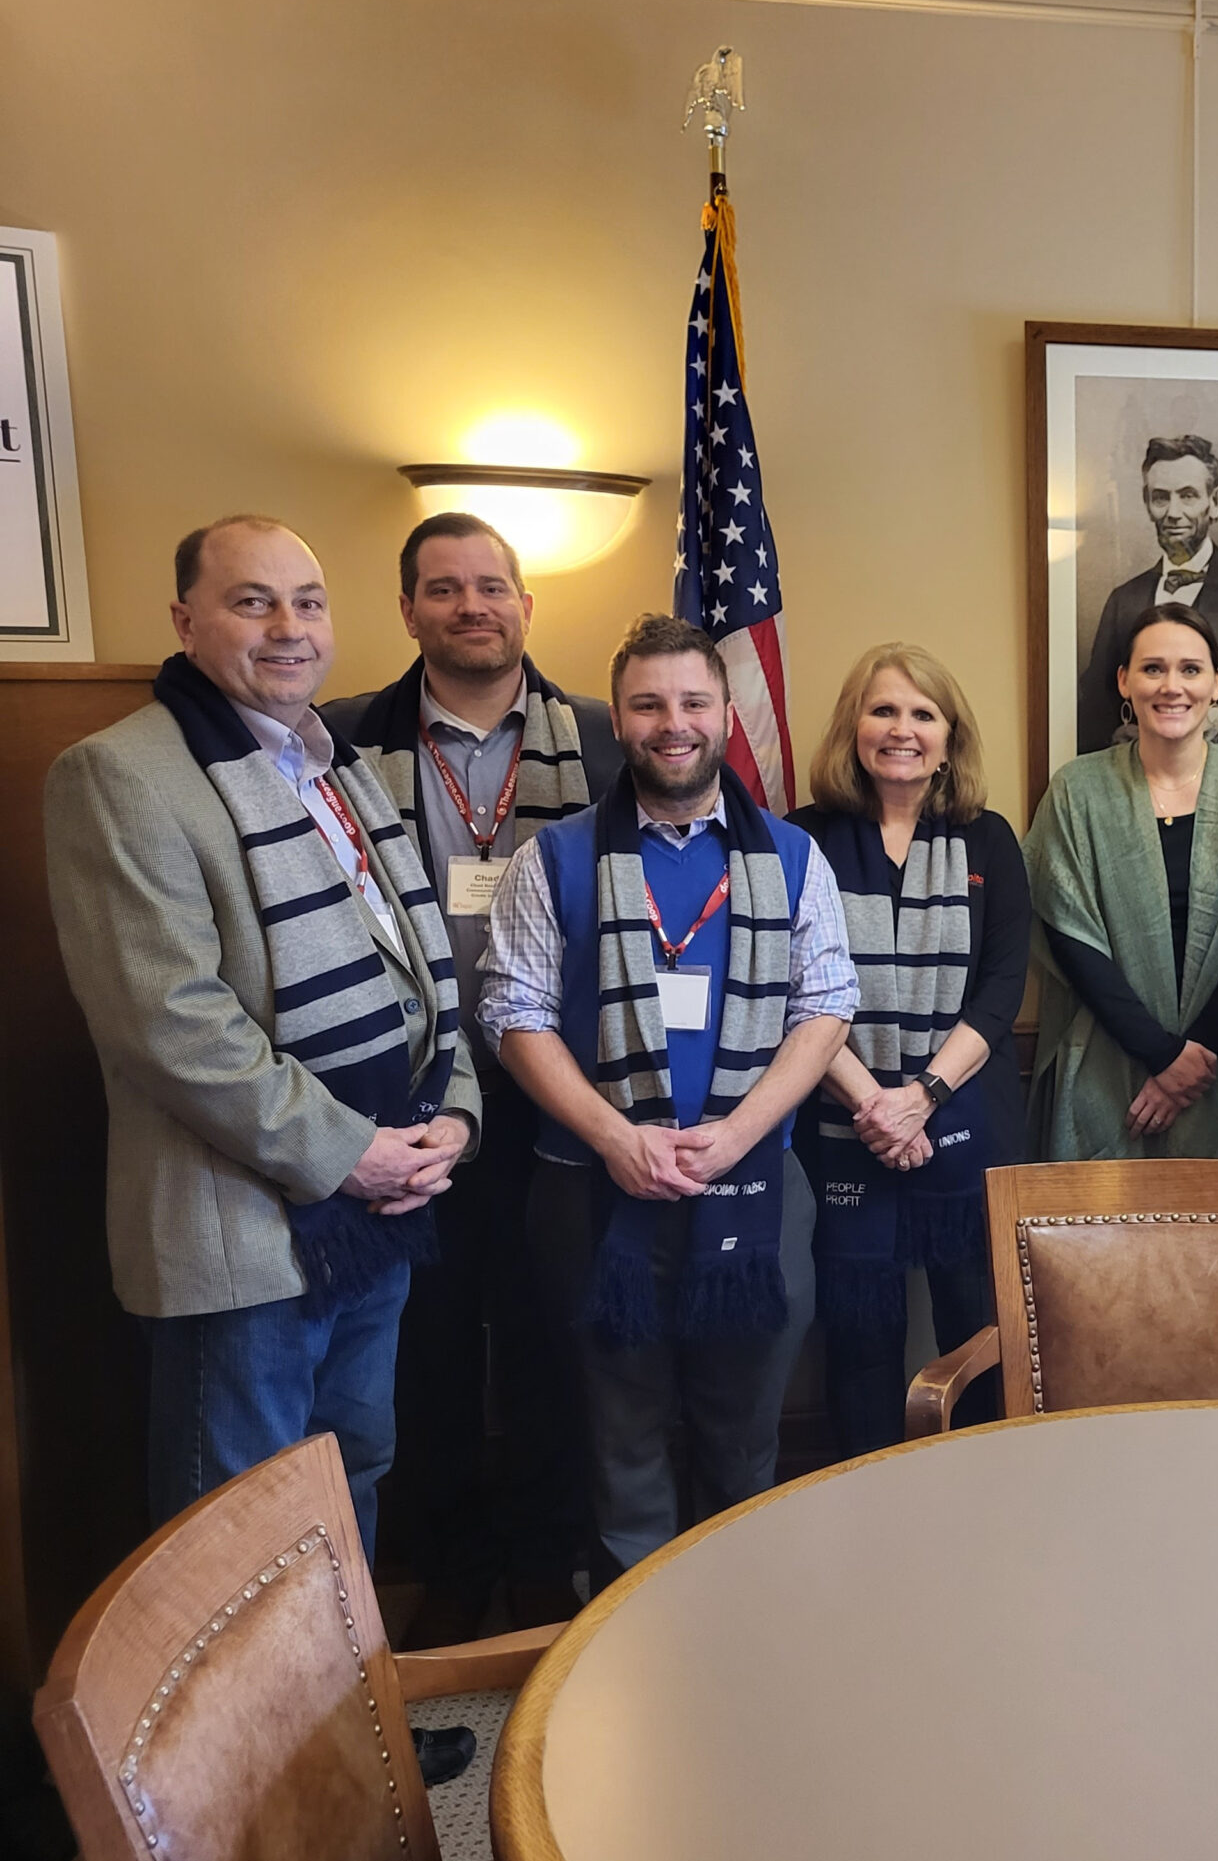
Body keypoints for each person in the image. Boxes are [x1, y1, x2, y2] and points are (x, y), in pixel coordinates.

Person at [46, 515, 480, 1559]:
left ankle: (344, 1726)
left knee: (349, 1477)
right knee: (241, 1530)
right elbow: (171, 1027)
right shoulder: (120, 776)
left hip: (372, 1225)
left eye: (309, 601)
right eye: (253, 601)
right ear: (186, 620)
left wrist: (452, 1117)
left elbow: (424, 971)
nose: (289, 627)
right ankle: (256, 1735)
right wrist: (355, 1154)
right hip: (243, 1240)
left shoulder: (337, 763)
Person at [482, 615, 853, 1580]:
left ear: (728, 714)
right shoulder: (552, 859)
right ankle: (632, 1654)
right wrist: (616, 1138)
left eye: (693, 701)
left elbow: (825, 1008)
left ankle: (742, 1623)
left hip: (757, 1187)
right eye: (648, 704)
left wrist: (734, 1135)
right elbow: (513, 1012)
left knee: (743, 1436)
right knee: (621, 1438)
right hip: (593, 1195)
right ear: (621, 718)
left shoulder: (793, 858)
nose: (672, 723)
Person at [321, 511, 618, 1647]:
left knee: (549, 1336)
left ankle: (545, 1558)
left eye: (491, 587)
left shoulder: (594, 737)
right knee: (426, 1346)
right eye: (443, 590)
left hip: (558, 1097)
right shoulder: (342, 741)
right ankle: (450, 1563)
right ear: (408, 611)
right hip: (407, 1101)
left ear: (526, 606)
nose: (471, 607)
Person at [789, 644, 1028, 1459]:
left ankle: (982, 1496)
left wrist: (919, 1095)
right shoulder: (801, 840)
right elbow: (797, 987)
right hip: (839, 1125)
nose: (902, 729)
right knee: (858, 1342)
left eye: (923, 713)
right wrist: (873, 1105)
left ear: (949, 735)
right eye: (883, 710)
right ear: (853, 726)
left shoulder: (988, 841)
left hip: (961, 1125)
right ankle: (867, 1511)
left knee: (978, 1335)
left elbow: (1001, 988)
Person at [1028, 605, 1218, 1160]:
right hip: (1107, 1054)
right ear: (1124, 680)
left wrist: (1195, 1057)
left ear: (1217, 684)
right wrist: (1160, 1054)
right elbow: (1066, 932)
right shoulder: (1078, 789)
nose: (1172, 686)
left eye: (1191, 670)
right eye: (1153, 669)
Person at [1074, 434, 1218, 771]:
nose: (1173, 513)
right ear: (1147, 504)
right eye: (1161, 498)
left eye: (1187, 496)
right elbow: (1094, 703)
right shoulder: (1123, 600)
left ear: (1215, 502)